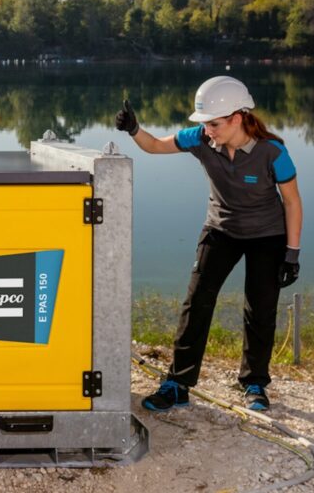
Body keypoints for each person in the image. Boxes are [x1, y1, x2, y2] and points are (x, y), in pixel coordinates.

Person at [115, 76, 303, 412]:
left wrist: (292, 253)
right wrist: (134, 130)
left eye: (214, 123)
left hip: (267, 235)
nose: (208, 130)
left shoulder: (273, 153)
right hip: (220, 230)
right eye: (205, 123)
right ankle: (178, 383)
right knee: (197, 302)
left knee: (259, 310)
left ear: (237, 118)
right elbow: (157, 145)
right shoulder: (201, 139)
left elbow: (291, 202)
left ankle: (254, 383)